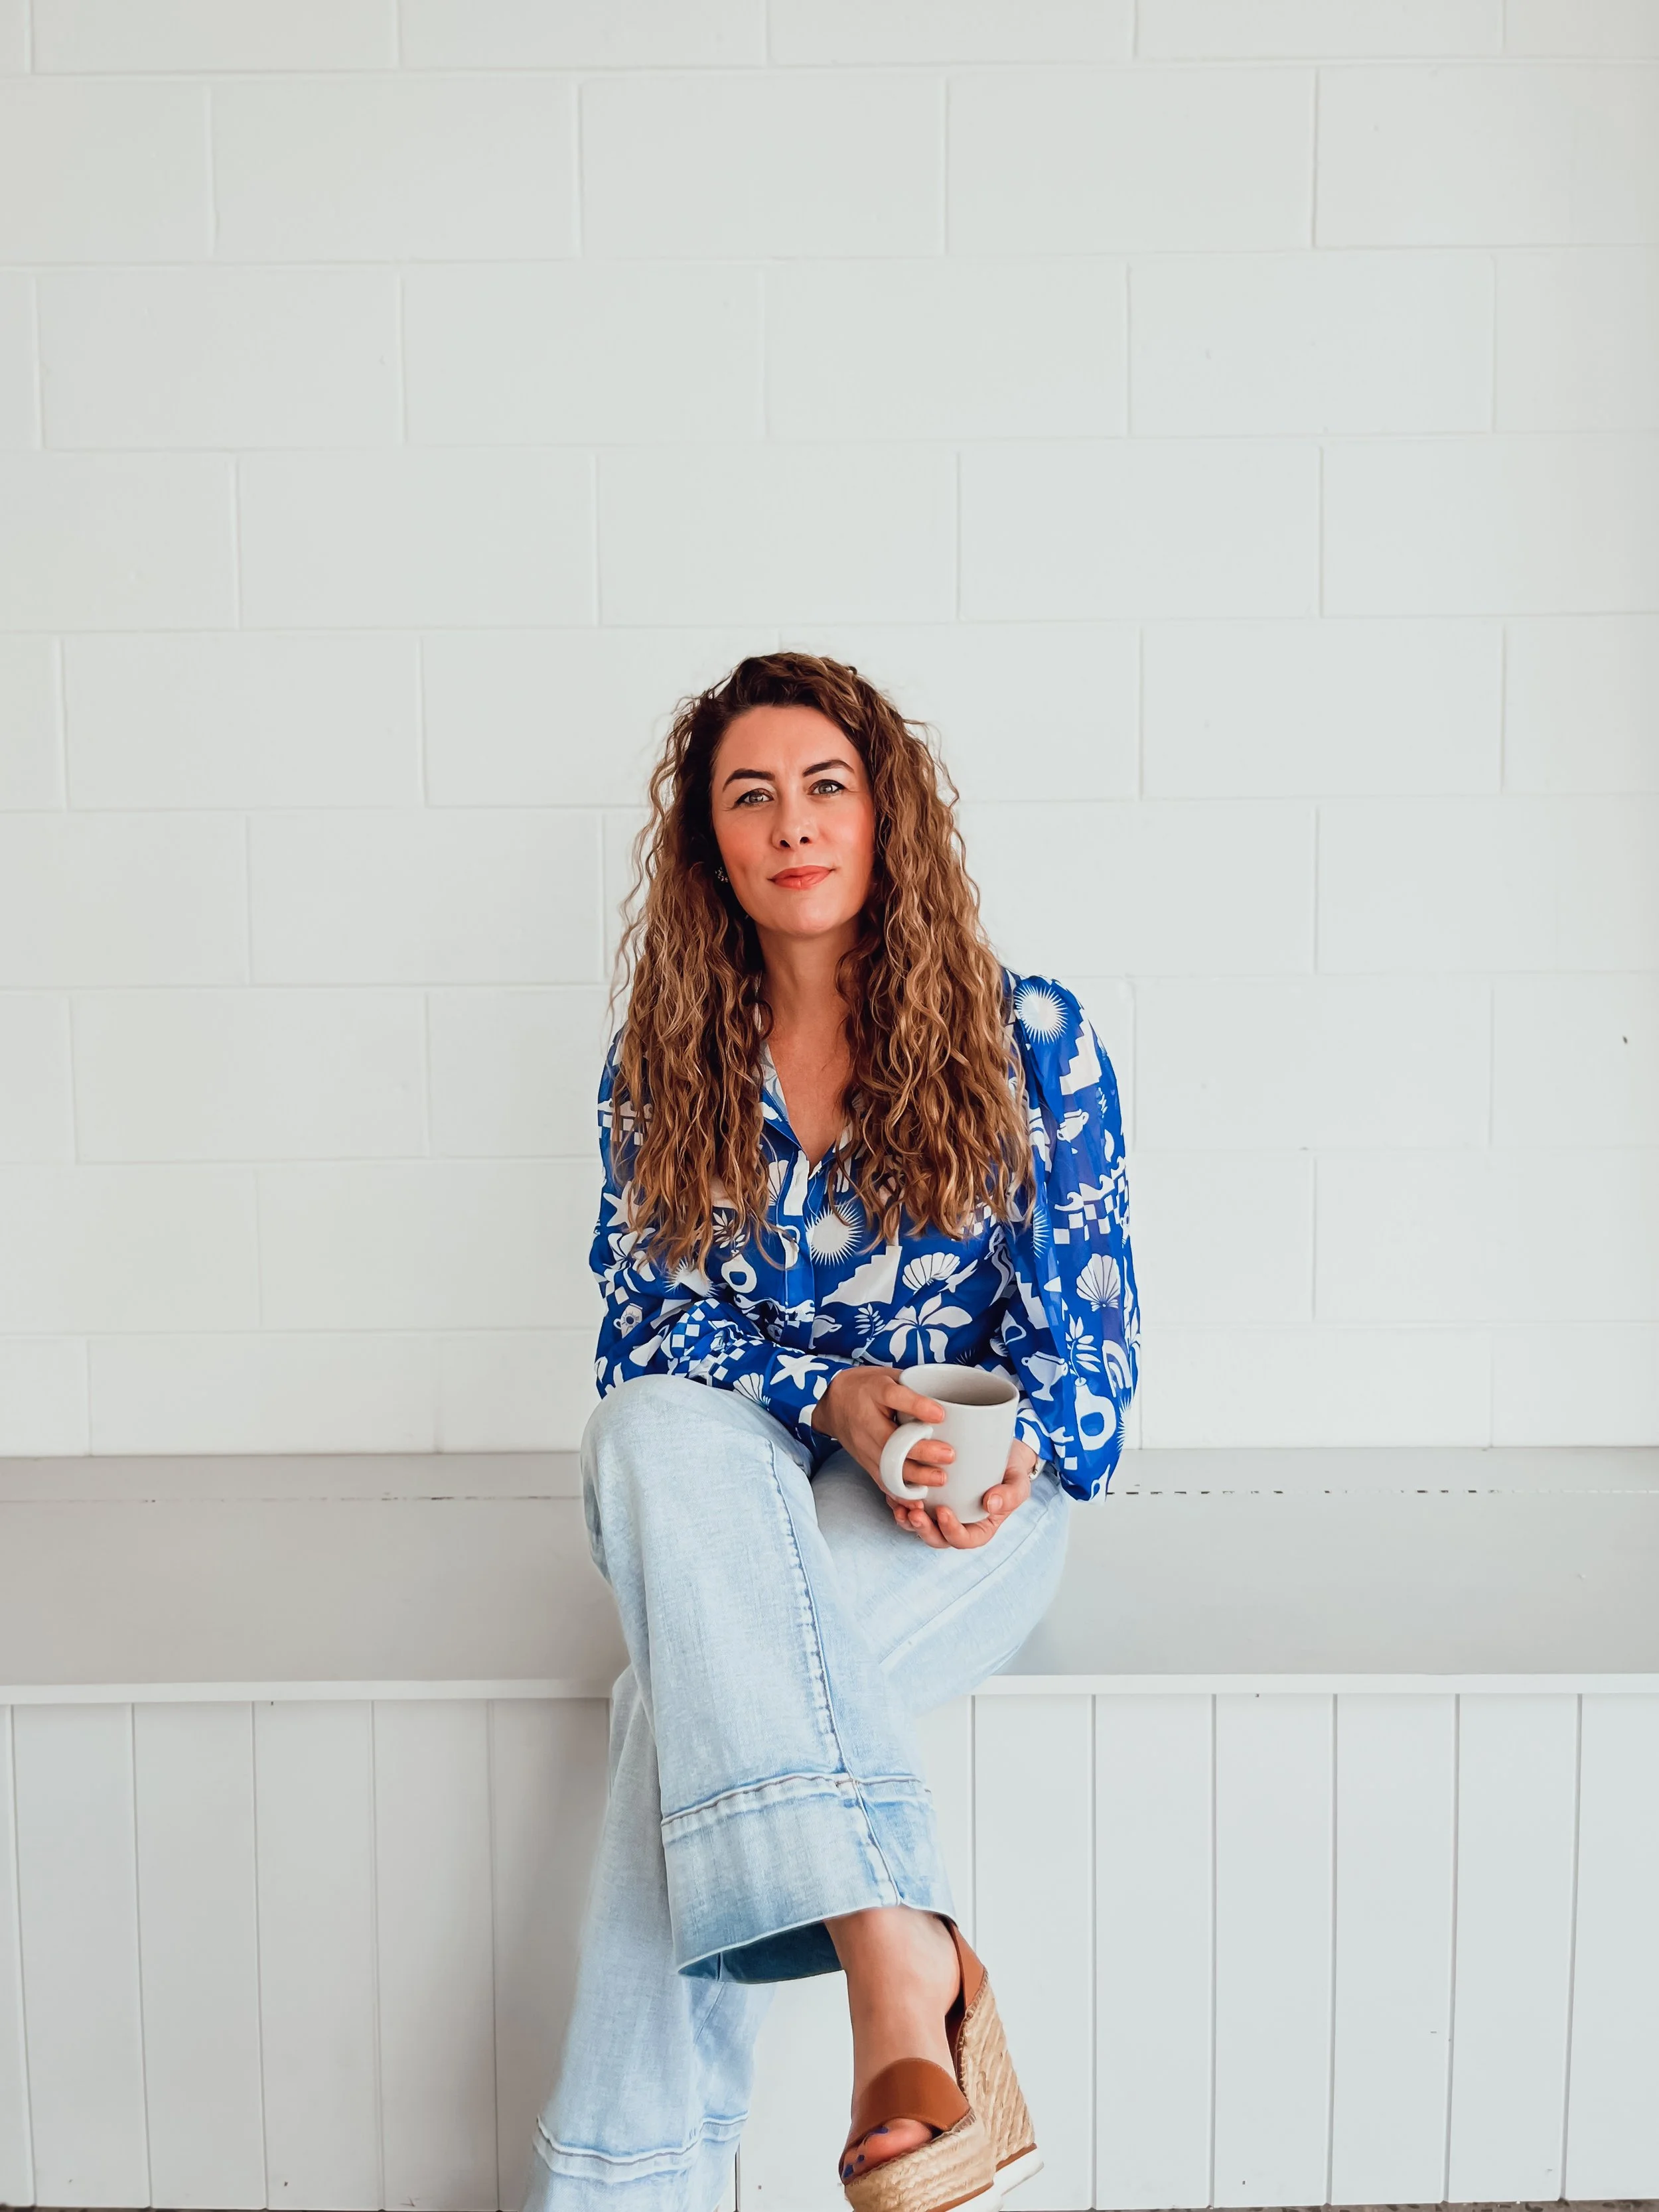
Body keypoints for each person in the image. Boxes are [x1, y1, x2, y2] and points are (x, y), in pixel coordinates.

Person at [526, 652, 1139, 2212]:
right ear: (711, 849)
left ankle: (619, 2189)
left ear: (882, 817)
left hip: (946, 1510)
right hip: (733, 1482)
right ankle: (896, 1946)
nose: (791, 823)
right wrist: (825, 1396)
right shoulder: (663, 1069)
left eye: (823, 787)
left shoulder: (1027, 1035)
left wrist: (989, 1456)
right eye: (751, 797)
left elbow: (1089, 1367)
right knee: (648, 1423)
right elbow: (638, 1331)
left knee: (673, 1708)